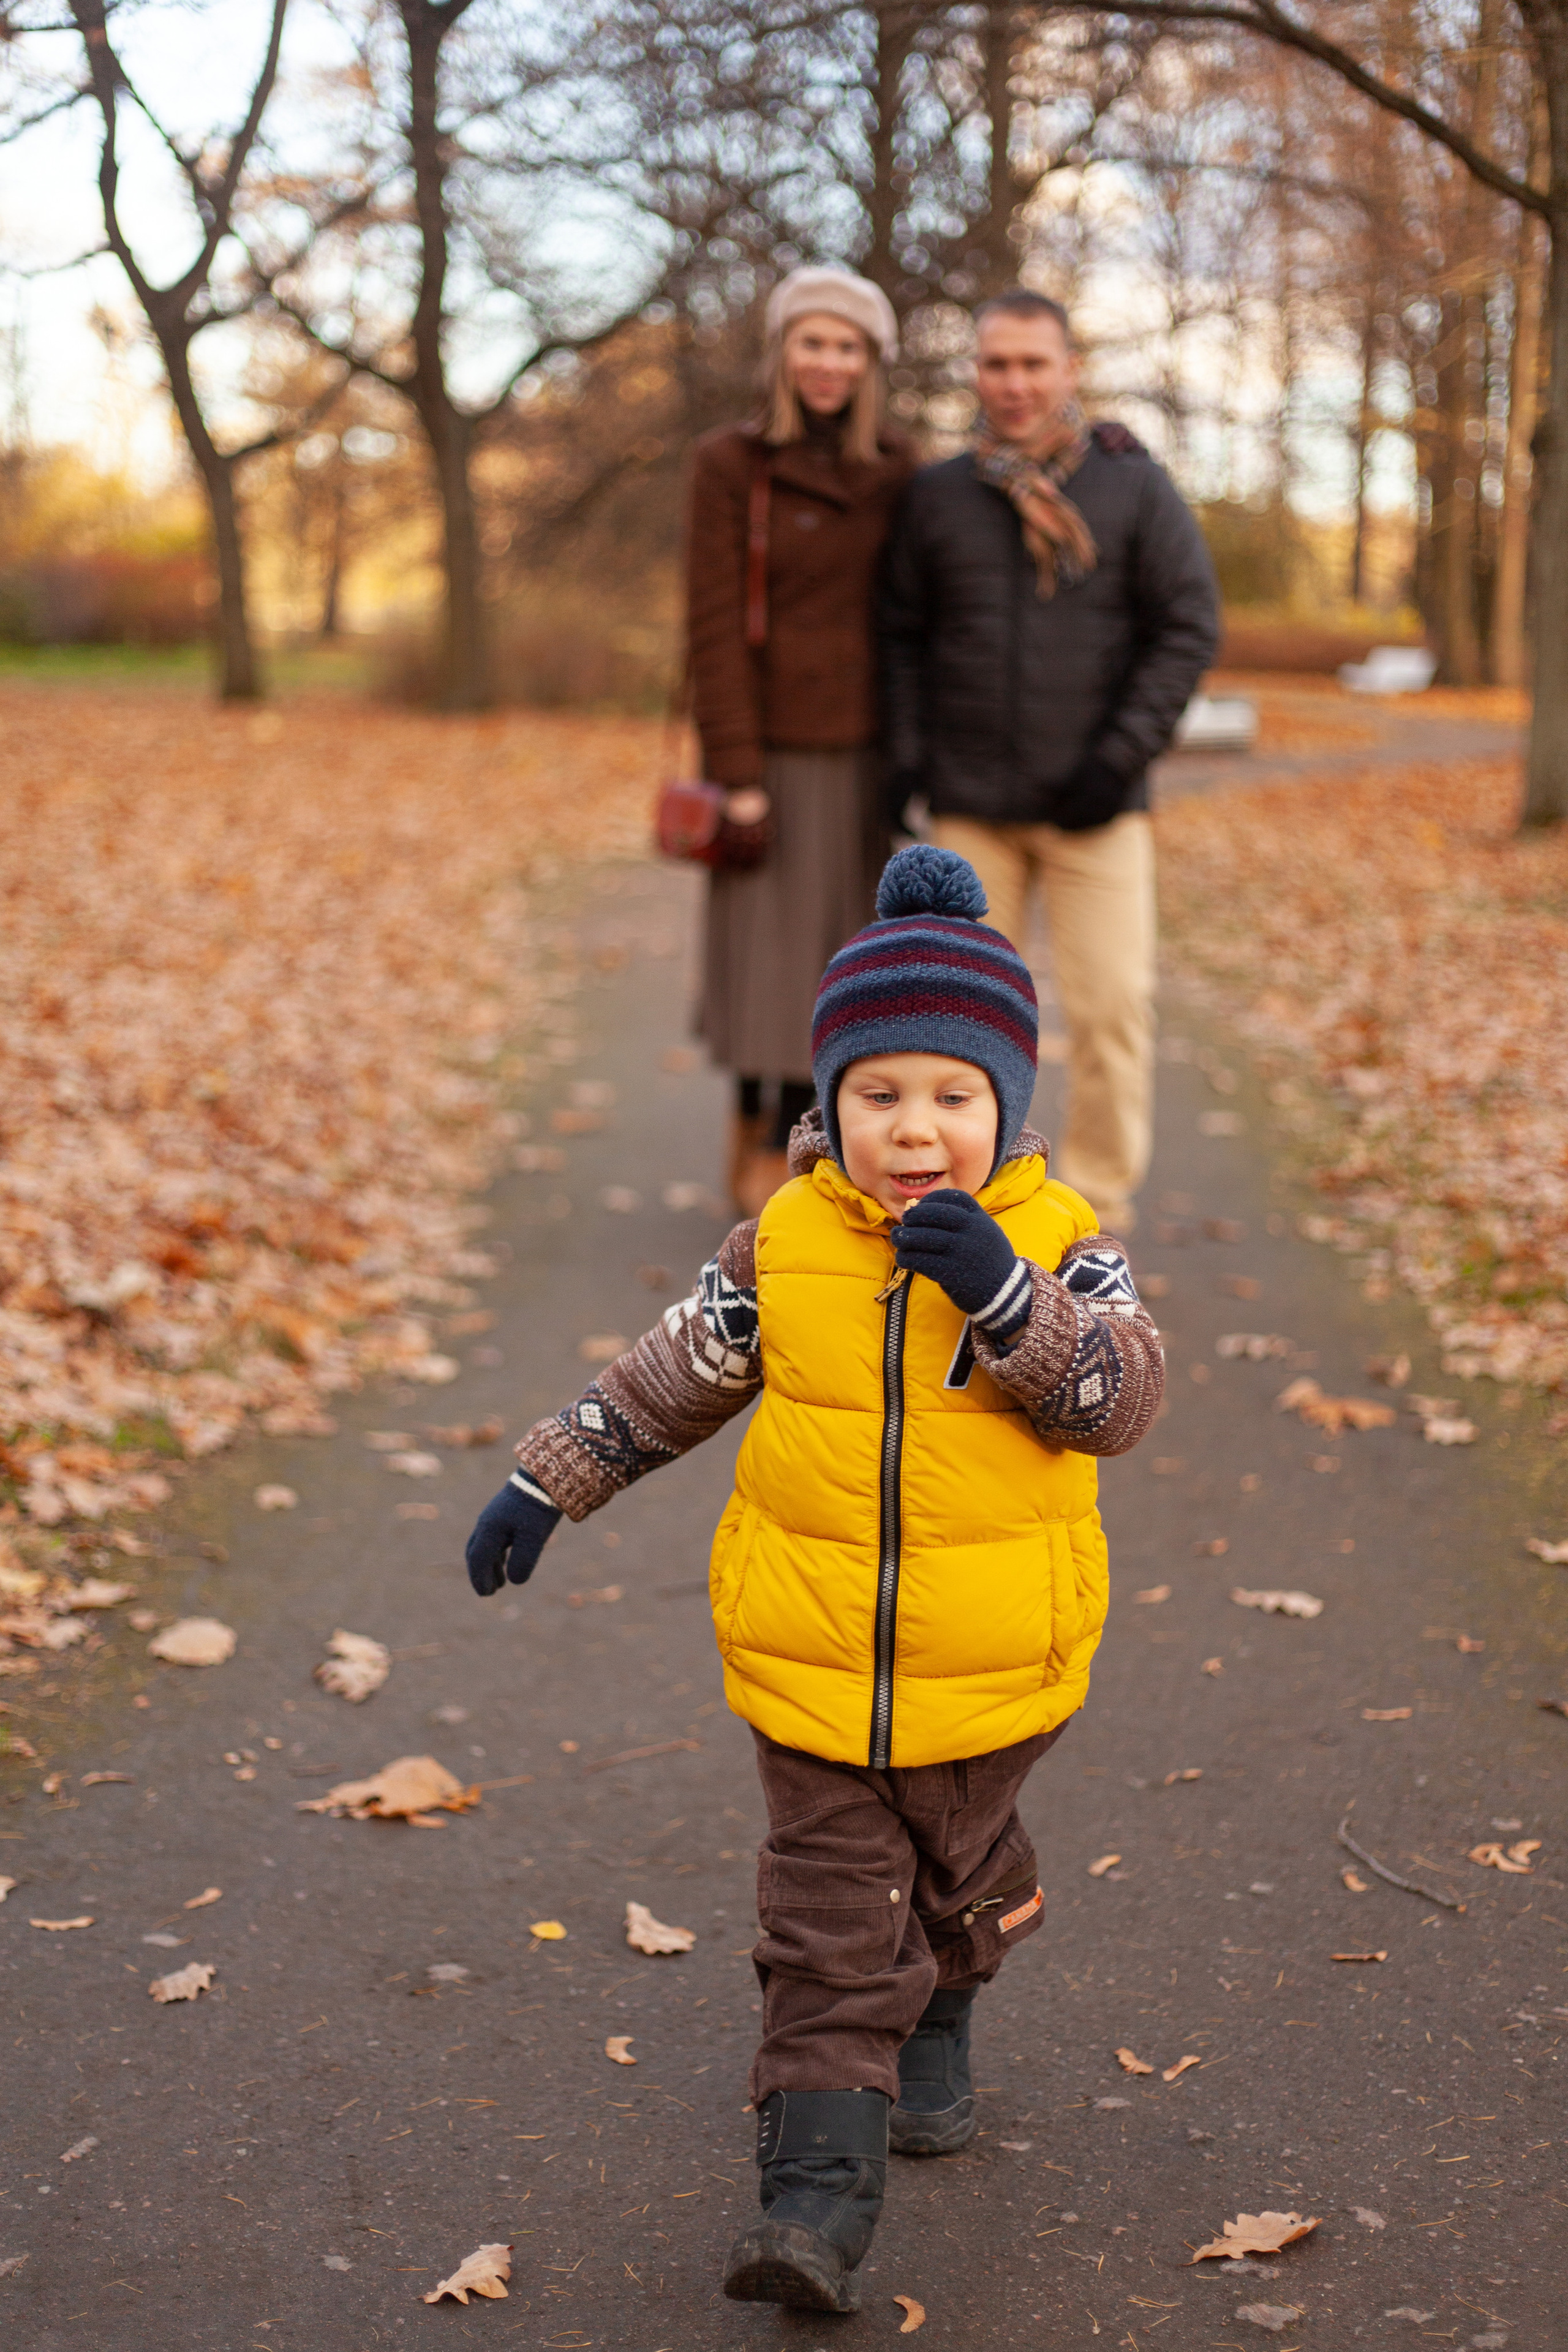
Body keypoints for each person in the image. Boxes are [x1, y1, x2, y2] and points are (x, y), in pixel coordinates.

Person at [464, 845, 1165, 2315]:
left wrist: (1003, 1299)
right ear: (827, 1103)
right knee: (829, 1934)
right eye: (879, 1095)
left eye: (952, 1097)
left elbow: (1114, 1399)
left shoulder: (1061, 1249)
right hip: (810, 1662)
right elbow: (665, 1381)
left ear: (1006, 1106)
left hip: (995, 1671)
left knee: (955, 1895)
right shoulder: (777, 1249)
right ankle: (812, 2208)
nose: (916, 1132)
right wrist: (548, 1477)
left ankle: (945, 2010)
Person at [881, 288, 1220, 1235]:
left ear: (1070, 369)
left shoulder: (1133, 487)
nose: (1016, 383)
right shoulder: (938, 494)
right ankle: (953, 1213)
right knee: (951, 1021)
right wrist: (907, 761)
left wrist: (1118, 761)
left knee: (1113, 1011)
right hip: (970, 809)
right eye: (997, 364)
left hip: (1097, 808)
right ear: (976, 372)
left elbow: (1189, 628)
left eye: (1035, 363)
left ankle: (1091, 1218)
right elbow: (901, 637)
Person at [686, 265, 917, 1214]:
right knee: (764, 956)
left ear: (872, 363)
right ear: (783, 352)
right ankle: (756, 1122)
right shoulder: (729, 466)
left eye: (848, 345)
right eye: (812, 341)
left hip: (867, 750)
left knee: (846, 952)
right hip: (769, 750)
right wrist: (738, 771)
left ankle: (825, 1137)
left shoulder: (902, 470)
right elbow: (709, 626)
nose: (829, 362)